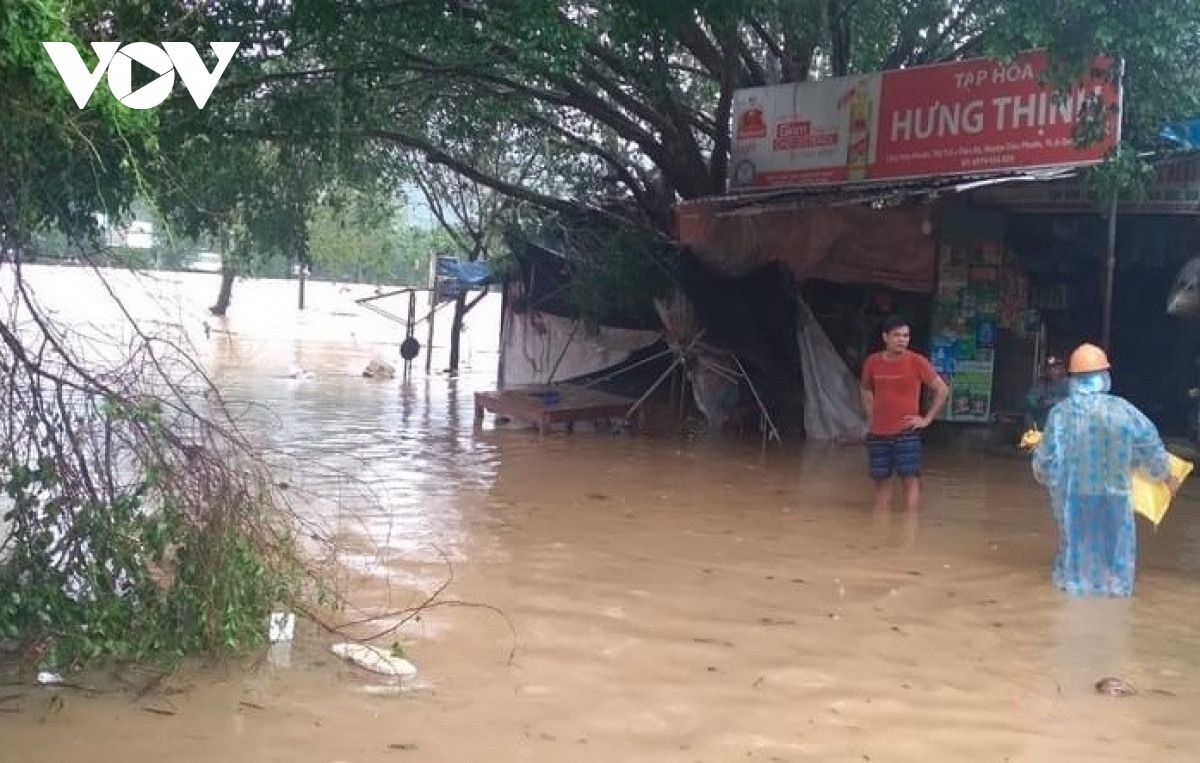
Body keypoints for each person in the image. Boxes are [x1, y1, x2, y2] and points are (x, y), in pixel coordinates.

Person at [1032, 343, 1178, 597]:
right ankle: (1113, 609)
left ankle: (1074, 607)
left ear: (1073, 378)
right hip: (1115, 498)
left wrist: (1044, 475)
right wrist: (1167, 476)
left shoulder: (1060, 414)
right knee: (1116, 563)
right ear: (1104, 375)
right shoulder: (1123, 410)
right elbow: (1150, 444)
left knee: (1074, 560)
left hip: (1074, 499)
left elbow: (1044, 464)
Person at [860, 315, 950, 512]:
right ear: (885, 337)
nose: (902, 340)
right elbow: (866, 389)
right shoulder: (872, 362)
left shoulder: (916, 361)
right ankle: (880, 526)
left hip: (906, 431)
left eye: (906, 336)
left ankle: (910, 526)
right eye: (897, 335)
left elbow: (942, 390)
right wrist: (871, 417)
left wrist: (926, 419)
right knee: (881, 481)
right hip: (878, 432)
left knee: (910, 480)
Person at [1025, 355, 1070, 429]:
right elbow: (1030, 398)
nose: (1052, 371)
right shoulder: (1041, 383)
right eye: (1049, 368)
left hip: (1062, 426)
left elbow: (1072, 399)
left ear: (1061, 369)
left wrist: (1051, 401)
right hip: (1042, 425)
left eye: (1055, 368)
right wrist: (1038, 404)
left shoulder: (1068, 383)